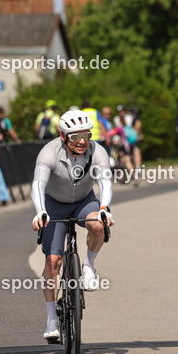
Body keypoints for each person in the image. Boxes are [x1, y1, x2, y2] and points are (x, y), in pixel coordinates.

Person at [30, 109, 114, 341]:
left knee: (98, 224)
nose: (82, 142)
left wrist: (104, 208)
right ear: (63, 136)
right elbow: (38, 184)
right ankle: (51, 320)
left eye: (86, 135)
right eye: (75, 137)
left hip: (83, 201)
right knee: (53, 261)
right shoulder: (49, 152)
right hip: (54, 203)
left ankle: (88, 266)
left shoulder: (97, 151)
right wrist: (41, 212)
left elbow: (105, 182)